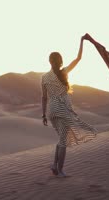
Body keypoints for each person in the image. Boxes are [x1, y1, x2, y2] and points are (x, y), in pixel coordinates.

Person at [41, 33, 97, 178]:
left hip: (51, 111)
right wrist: (82, 41)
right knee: (64, 141)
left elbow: (43, 97)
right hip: (62, 110)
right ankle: (60, 171)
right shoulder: (64, 72)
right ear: (60, 61)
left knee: (61, 139)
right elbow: (78, 58)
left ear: (49, 61)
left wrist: (43, 115)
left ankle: (54, 165)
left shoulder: (44, 77)